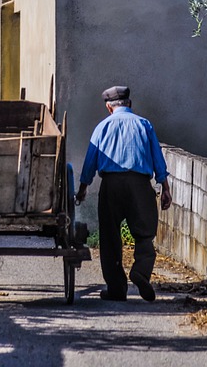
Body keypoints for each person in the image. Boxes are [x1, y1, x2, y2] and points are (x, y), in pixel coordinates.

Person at [76, 85, 172, 302]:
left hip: (111, 185)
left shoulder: (102, 127)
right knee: (145, 233)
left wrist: (83, 188)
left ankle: (116, 288)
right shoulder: (144, 124)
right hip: (140, 184)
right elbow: (158, 158)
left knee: (110, 236)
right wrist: (165, 187)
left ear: (109, 108)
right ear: (130, 104)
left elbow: (90, 162)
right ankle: (141, 271)